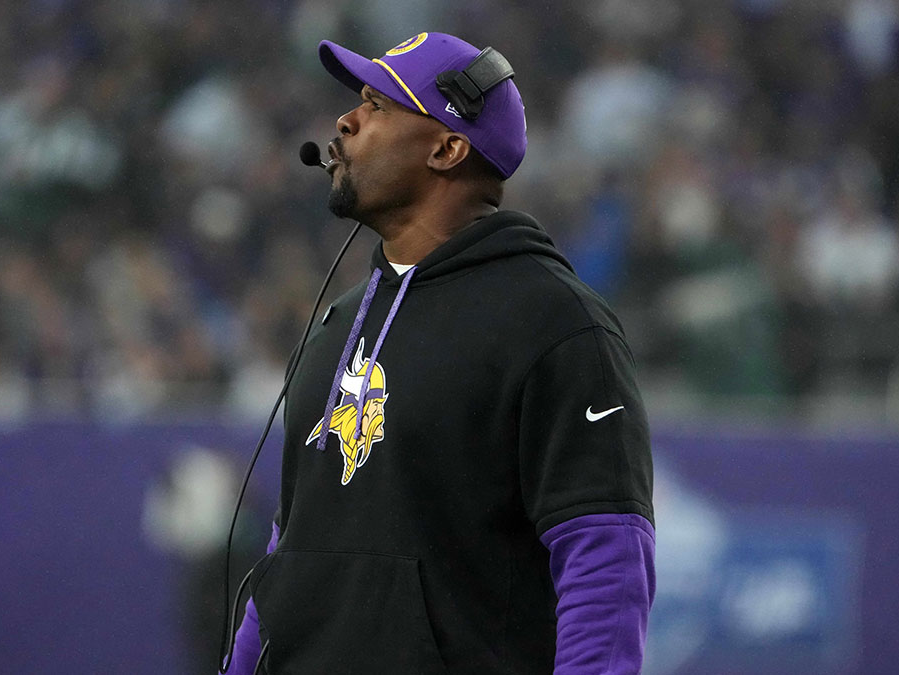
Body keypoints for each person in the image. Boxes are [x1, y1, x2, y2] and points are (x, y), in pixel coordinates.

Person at [230, 31, 655, 674]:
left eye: (376, 105)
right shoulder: (338, 325)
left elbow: (604, 558)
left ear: (448, 147)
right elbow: (288, 551)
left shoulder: (556, 324)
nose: (345, 120)